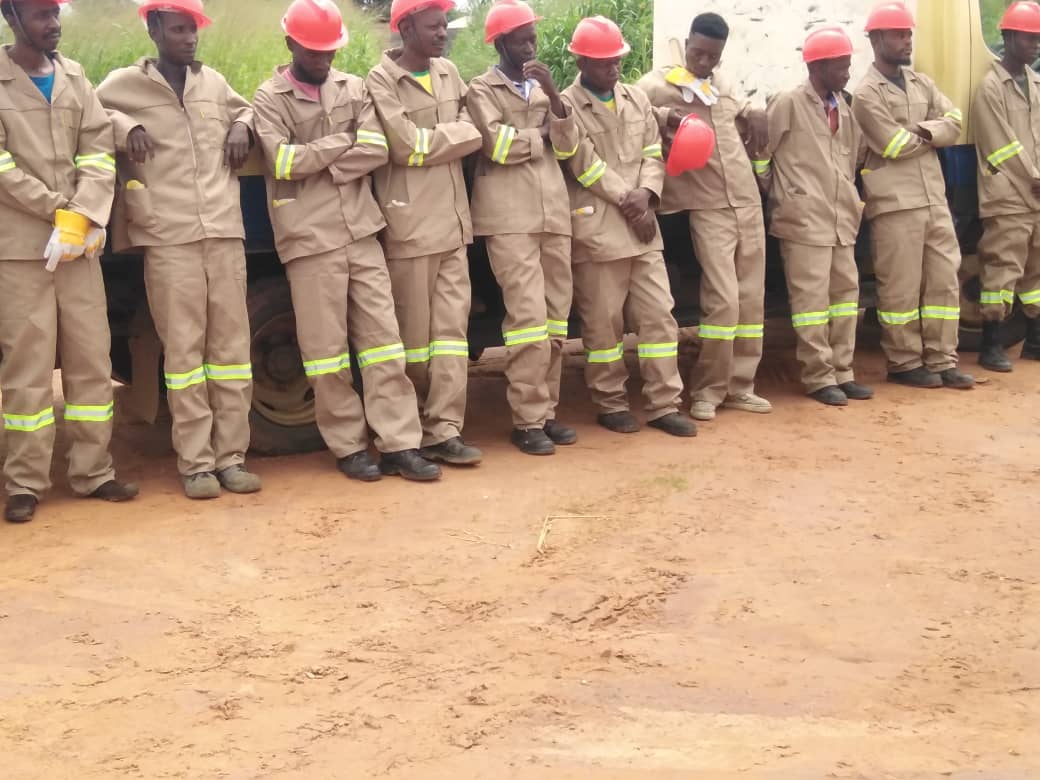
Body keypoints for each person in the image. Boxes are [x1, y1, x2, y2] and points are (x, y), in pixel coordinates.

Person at [252, 0, 440, 481]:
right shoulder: (268, 98)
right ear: (291, 43)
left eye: (330, 50)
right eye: (314, 51)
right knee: (326, 352)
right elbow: (283, 163)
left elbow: (376, 148)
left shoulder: (352, 87)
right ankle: (349, 446)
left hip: (361, 232)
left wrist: (319, 159)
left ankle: (399, 444)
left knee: (384, 346)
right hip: (310, 241)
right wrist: (341, 145)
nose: (323, 59)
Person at [97, 0, 264, 499]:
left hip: (223, 232)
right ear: (154, 29)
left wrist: (242, 126)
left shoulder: (212, 82)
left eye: (193, 29)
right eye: (178, 29)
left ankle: (232, 458)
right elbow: (83, 115)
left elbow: (249, 108)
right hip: (168, 237)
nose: (190, 38)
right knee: (185, 354)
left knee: (232, 351)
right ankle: (196, 464)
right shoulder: (122, 87)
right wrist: (125, 128)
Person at [0, 0, 139, 524]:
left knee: (90, 360)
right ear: (12, 18)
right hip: (21, 250)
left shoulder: (76, 78)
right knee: (28, 369)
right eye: (40, 14)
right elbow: (1, 166)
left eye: (55, 12)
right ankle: (26, 482)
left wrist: (80, 218)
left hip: (78, 246)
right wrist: (58, 211)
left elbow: (99, 154)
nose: (52, 23)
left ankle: (93, 471)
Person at [559, 16, 696, 438]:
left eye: (617, 59)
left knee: (660, 318)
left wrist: (649, 193)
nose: (613, 67)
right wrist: (629, 200)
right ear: (581, 60)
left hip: (642, 225)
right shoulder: (566, 105)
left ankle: (663, 402)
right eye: (603, 61)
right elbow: (582, 164)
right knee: (604, 326)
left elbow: (653, 151)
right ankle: (611, 402)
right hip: (600, 229)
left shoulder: (636, 99)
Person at [637, 12, 772, 423]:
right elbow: (631, 110)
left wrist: (758, 109)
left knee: (751, 302)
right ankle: (708, 390)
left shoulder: (723, 81)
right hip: (707, 204)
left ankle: (740, 386)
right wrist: (667, 118)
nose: (703, 62)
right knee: (724, 301)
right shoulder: (659, 83)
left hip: (745, 200)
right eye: (697, 52)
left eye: (712, 56)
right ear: (686, 42)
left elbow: (743, 108)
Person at [366, 0, 485, 466]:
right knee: (411, 341)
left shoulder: (448, 72)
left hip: (454, 226)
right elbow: (402, 146)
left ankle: (444, 430)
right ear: (407, 26)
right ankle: (404, 436)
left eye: (444, 25)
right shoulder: (380, 80)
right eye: (434, 25)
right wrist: (455, 136)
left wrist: (438, 139)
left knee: (452, 338)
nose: (442, 33)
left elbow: (475, 131)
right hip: (410, 226)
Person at [466, 0, 578, 455]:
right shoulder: (482, 88)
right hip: (510, 219)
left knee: (555, 321)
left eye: (532, 36)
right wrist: (542, 135)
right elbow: (496, 145)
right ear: (500, 43)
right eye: (521, 38)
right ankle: (527, 420)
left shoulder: (543, 87)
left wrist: (553, 95)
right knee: (528, 320)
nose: (530, 44)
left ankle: (546, 412)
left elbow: (570, 144)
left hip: (553, 213)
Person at [852, 1, 975, 389]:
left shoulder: (922, 83)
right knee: (900, 286)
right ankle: (904, 362)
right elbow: (891, 145)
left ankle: (942, 359)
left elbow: (954, 121)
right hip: (895, 204)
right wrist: (931, 133)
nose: (907, 41)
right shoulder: (866, 93)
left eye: (909, 34)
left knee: (943, 282)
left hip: (933, 198)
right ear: (876, 39)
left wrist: (920, 133)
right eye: (899, 34)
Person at [757, 27, 874, 406]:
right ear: (818, 66)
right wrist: (785, 193)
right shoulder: (789, 103)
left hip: (841, 220)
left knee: (845, 299)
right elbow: (760, 154)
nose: (847, 72)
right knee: (811, 304)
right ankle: (818, 376)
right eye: (841, 65)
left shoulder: (845, 107)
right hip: (804, 221)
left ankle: (843, 371)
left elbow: (853, 158)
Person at [971, 0, 1040, 371]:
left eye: (1038, 39)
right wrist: (1035, 178)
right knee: (1002, 270)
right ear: (1009, 37)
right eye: (1029, 38)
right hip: (1010, 196)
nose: (1036, 45)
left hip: (1035, 195)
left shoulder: (1035, 83)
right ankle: (991, 344)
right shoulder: (990, 88)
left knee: (1035, 272)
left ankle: (1034, 339)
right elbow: (1001, 146)